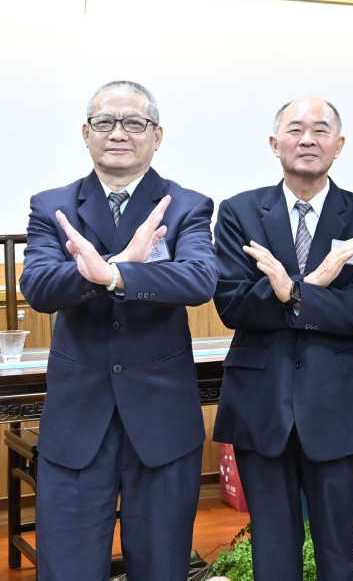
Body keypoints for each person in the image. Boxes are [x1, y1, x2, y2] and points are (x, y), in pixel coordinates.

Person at [20, 80, 218, 580]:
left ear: (157, 135)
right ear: (86, 133)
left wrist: (111, 274)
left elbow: (198, 279)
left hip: (162, 419)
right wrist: (123, 262)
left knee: (161, 566)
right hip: (77, 418)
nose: (118, 133)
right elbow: (39, 286)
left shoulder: (186, 204)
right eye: (105, 122)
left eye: (134, 123)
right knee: (67, 567)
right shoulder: (52, 205)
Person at [212, 96, 353, 580]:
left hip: (336, 405)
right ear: (275, 143)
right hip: (260, 402)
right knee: (273, 551)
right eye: (295, 129)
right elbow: (232, 305)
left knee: (338, 551)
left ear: (339, 144)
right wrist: (313, 288)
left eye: (320, 130)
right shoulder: (239, 212)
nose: (307, 139)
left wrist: (289, 292)